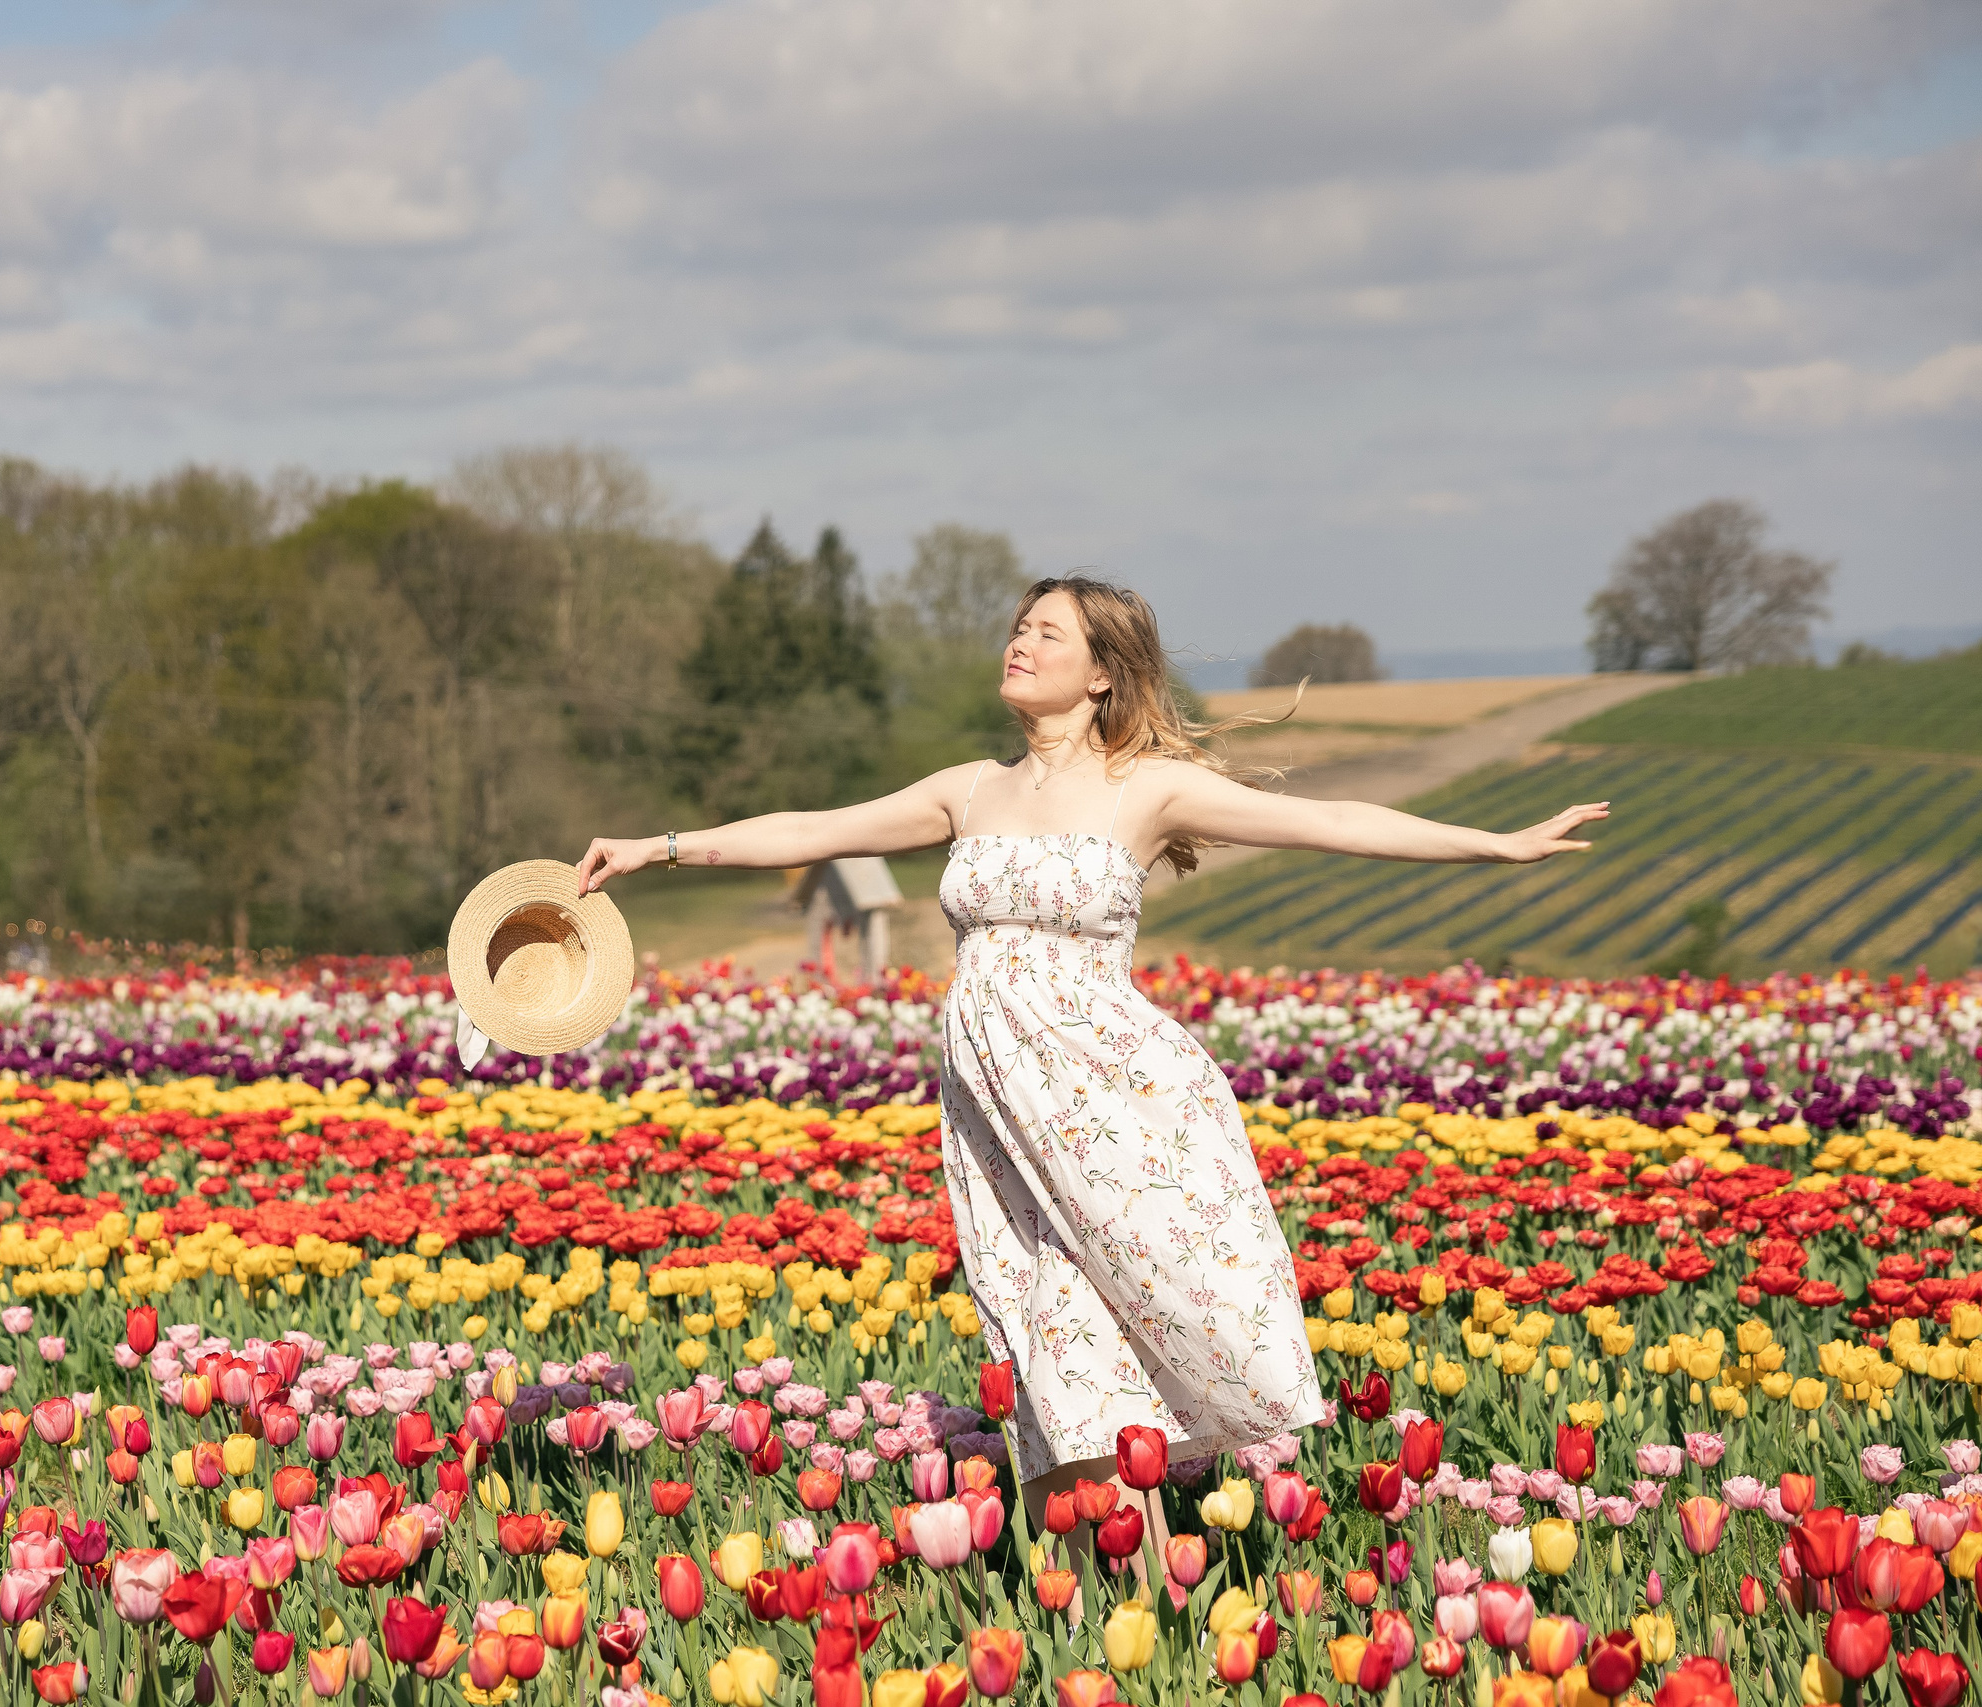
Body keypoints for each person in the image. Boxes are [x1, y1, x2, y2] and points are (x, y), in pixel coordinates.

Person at [573, 575, 1608, 1556]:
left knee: (1136, 1308)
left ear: (1102, 672)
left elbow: (1329, 824)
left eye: (1048, 634)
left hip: (1119, 1098)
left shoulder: (1145, 789)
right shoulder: (968, 791)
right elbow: (811, 829)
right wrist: (659, 845)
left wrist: (1498, 845)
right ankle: (1102, 1595)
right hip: (1002, 1108)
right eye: (1018, 630)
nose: (1020, 645)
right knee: (1043, 1316)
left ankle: (1147, 1572)